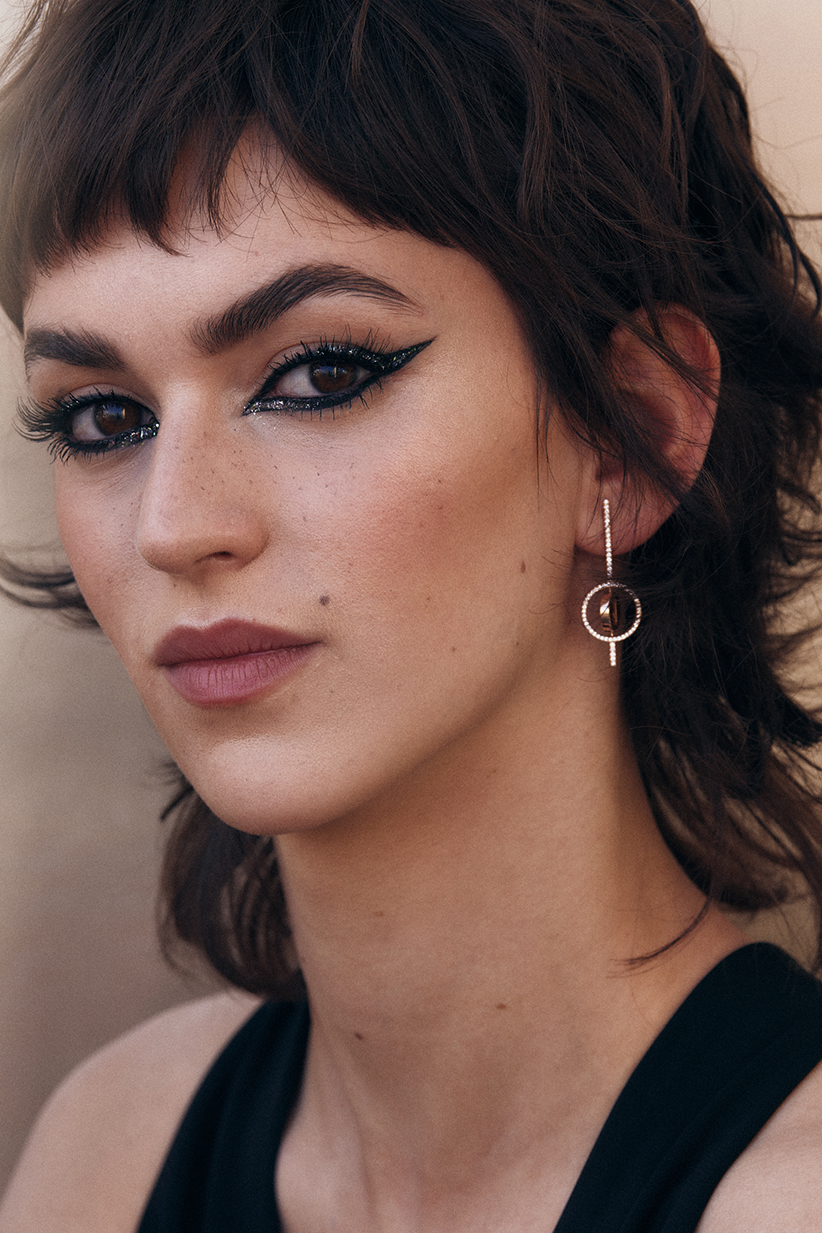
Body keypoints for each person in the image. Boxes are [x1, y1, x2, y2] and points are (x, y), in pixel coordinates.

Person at [1, 0, 822, 1228]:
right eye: (103, 417)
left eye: (320, 374)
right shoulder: (106, 1156)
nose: (173, 527)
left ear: (631, 437)